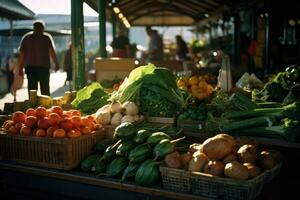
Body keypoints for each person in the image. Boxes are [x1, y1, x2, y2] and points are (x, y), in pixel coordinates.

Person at [18, 20, 59, 96]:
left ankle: (33, 106)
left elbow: (21, 55)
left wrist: (20, 68)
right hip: (43, 68)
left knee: (32, 91)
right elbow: (52, 52)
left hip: (30, 69)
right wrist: (56, 63)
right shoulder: (46, 37)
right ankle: (46, 107)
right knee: (45, 91)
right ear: (43, 28)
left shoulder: (26, 37)